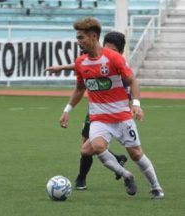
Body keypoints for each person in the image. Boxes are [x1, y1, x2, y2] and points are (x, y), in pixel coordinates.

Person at [61, 16, 163, 199]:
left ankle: (156, 188)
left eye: (81, 38)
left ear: (93, 36)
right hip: (99, 119)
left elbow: (132, 80)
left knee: (135, 153)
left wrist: (137, 105)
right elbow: (79, 88)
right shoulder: (80, 62)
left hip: (122, 117)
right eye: (77, 38)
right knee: (98, 147)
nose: (78, 42)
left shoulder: (113, 58)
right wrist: (67, 110)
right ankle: (127, 176)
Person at [46, 31, 128, 190]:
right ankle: (116, 159)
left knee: (87, 150)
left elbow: (129, 86)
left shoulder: (119, 64)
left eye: (113, 51)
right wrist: (61, 67)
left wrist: (133, 104)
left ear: (120, 52)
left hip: (113, 112)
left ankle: (81, 179)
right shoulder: (99, 57)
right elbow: (81, 65)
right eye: (107, 49)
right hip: (95, 110)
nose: (109, 53)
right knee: (86, 144)